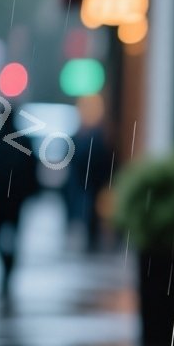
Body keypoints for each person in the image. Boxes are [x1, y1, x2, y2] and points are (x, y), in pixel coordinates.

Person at [0, 100, 41, 294]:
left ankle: (7, 266)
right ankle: (8, 266)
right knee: (12, 232)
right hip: (14, 198)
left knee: (0, 232)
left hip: (5, 198)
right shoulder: (22, 140)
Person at [65, 94, 113, 252]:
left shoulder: (96, 136)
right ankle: (89, 237)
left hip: (91, 182)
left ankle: (91, 238)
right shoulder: (83, 135)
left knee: (90, 211)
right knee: (87, 210)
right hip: (86, 182)